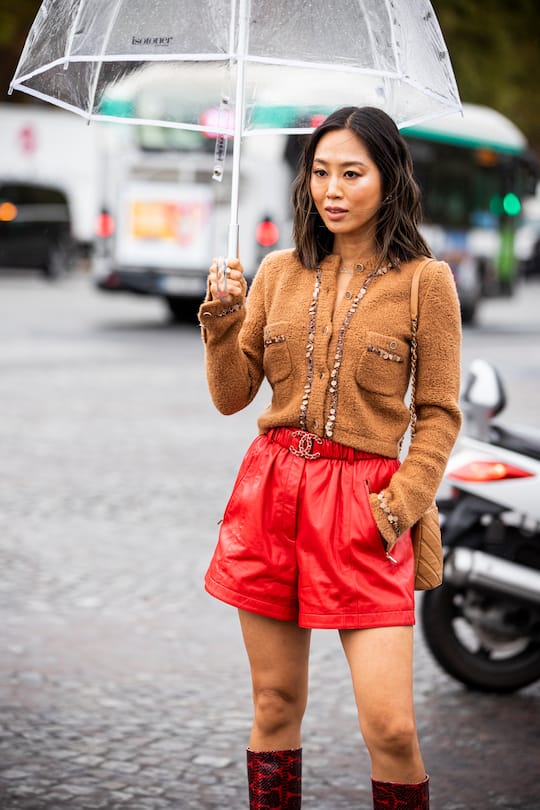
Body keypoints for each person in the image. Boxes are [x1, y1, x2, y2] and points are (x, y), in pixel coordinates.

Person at [198, 106, 462, 810]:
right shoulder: (277, 272)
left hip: (364, 508)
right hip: (272, 494)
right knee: (275, 703)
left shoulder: (425, 281)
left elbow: (439, 412)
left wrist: (397, 508)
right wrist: (222, 317)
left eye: (351, 173)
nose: (332, 190)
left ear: (389, 179)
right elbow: (231, 396)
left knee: (392, 728)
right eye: (320, 172)